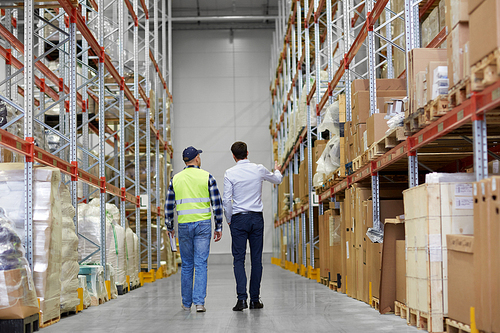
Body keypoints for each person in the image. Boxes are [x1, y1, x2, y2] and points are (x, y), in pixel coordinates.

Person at [223, 141, 282, 311]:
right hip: (256, 219)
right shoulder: (258, 169)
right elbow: (277, 179)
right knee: (256, 260)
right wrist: (277, 169)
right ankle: (255, 300)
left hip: (238, 219)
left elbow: (227, 200)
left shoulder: (230, 173)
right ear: (247, 153)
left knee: (239, 260)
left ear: (233, 156)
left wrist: (229, 219)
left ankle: (241, 300)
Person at [165, 146, 223, 313]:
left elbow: (169, 206)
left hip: (184, 225)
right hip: (203, 225)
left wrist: (169, 226)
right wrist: (218, 226)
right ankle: (199, 303)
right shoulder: (207, 177)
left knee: (188, 264)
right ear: (197, 158)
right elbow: (216, 204)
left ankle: (186, 303)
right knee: (201, 263)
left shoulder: (175, 179)